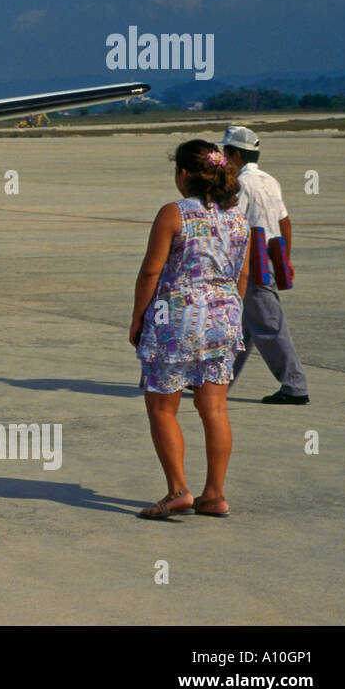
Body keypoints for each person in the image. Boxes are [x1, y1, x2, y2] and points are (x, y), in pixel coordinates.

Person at [131, 140, 249, 519]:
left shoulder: (174, 213)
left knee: (162, 407)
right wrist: (232, 311)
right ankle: (214, 494)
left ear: (183, 175)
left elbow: (151, 271)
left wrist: (138, 317)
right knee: (214, 407)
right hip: (225, 315)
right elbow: (243, 274)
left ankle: (178, 490)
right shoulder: (239, 219)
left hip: (177, 318)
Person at [218, 125, 310, 405]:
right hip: (270, 256)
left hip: (252, 262)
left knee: (269, 325)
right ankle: (219, 379)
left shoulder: (241, 184)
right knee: (243, 326)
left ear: (234, 155)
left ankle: (294, 386)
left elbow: (233, 223)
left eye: (225, 154)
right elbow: (284, 221)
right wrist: (286, 259)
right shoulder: (271, 181)